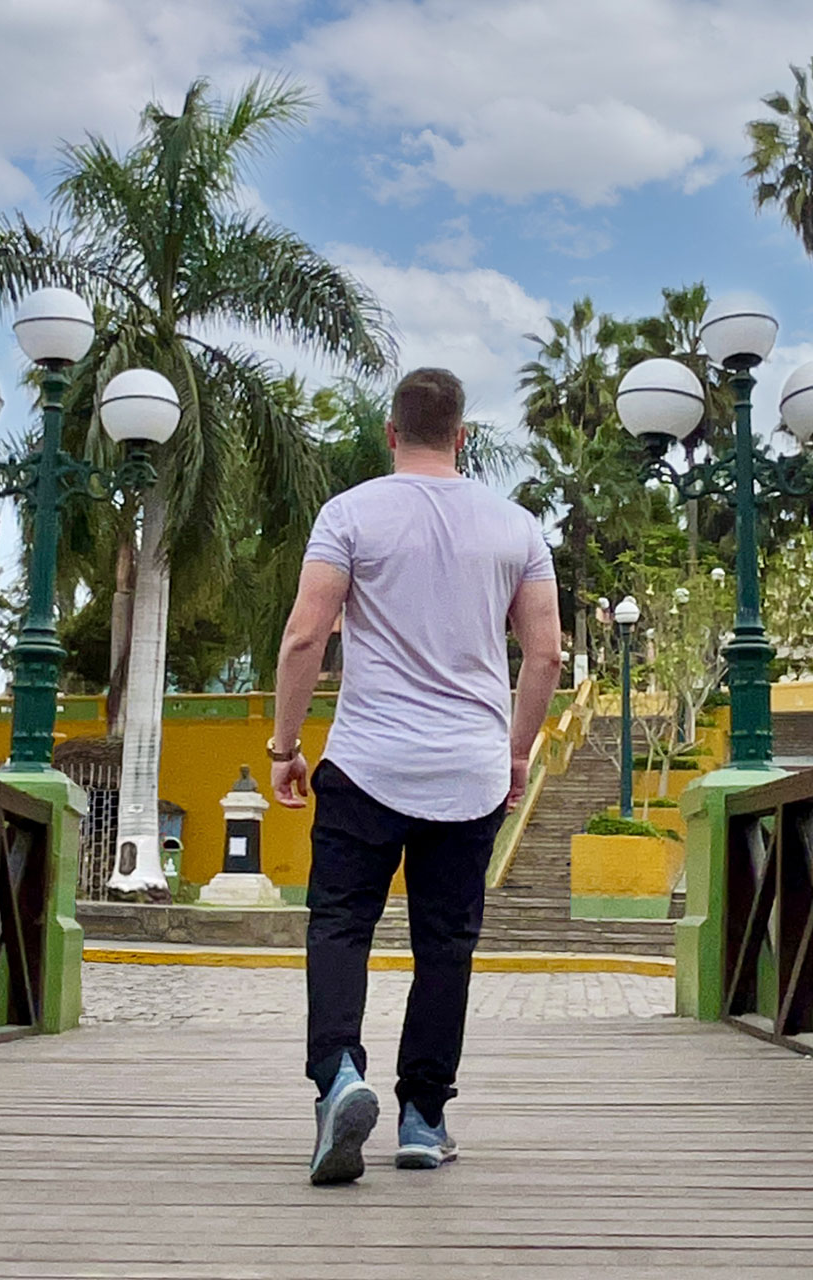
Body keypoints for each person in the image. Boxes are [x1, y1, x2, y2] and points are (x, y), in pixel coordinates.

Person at [268, 367, 562, 1185]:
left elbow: (304, 638)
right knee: (445, 947)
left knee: (339, 926)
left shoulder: (351, 513)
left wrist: (285, 748)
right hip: (469, 770)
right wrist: (515, 752)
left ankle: (338, 1078)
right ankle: (424, 1118)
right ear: (463, 436)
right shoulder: (516, 527)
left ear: (391, 434)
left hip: (365, 763)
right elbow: (545, 654)